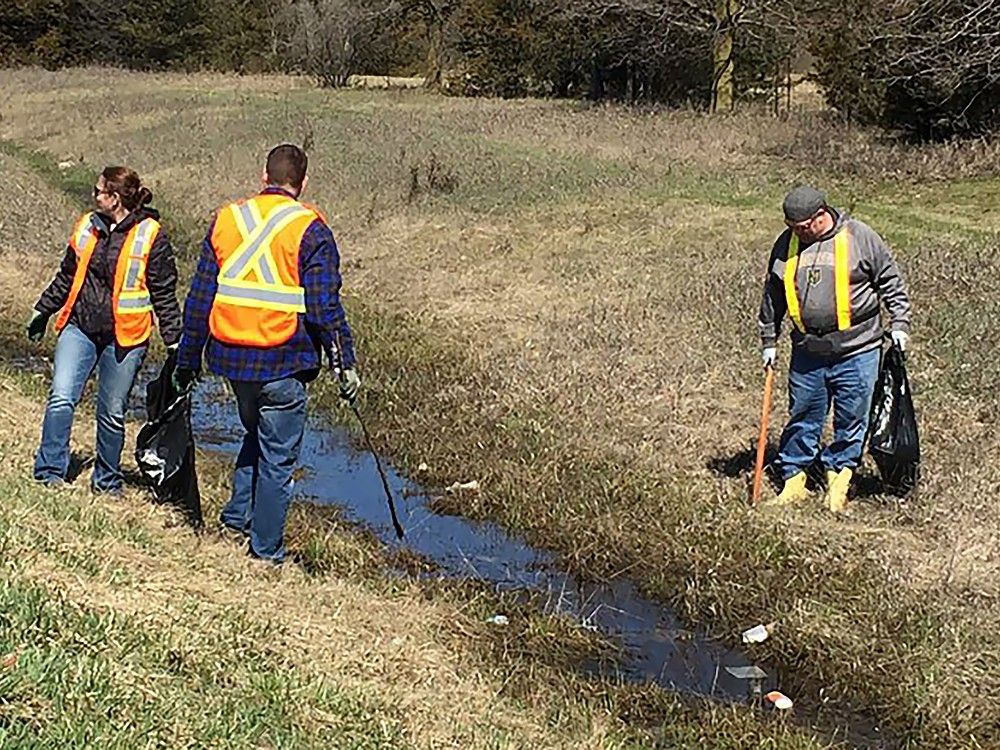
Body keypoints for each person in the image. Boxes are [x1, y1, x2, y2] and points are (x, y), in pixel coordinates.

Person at [174, 143, 359, 564]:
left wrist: (187, 360)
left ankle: (237, 518)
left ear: (264, 176)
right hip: (283, 358)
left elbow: (201, 297)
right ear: (303, 183)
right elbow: (324, 307)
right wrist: (344, 363)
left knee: (255, 435)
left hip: (232, 359)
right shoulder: (311, 230)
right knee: (278, 459)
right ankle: (267, 551)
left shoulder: (227, 220)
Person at [28, 167, 182, 494]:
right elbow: (67, 274)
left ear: (114, 198)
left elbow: (164, 293)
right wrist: (43, 307)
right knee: (61, 397)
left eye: (98, 191)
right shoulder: (87, 225)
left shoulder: (151, 235)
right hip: (80, 326)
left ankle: (107, 482)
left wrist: (174, 341)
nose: (93, 195)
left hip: (125, 336)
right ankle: (49, 471)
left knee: (111, 411)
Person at [758, 185, 912, 512]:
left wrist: (900, 323)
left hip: (858, 349)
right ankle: (794, 479)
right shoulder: (787, 244)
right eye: (791, 226)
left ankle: (839, 477)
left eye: (801, 226)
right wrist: (768, 340)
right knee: (803, 414)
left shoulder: (860, 237)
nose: (796, 232)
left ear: (820, 215)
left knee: (851, 416)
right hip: (807, 350)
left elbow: (891, 281)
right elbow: (772, 294)